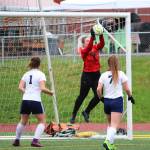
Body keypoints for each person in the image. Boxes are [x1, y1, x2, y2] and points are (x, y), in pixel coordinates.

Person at [12, 57, 53, 147]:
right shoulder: (41, 74)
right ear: (39, 64)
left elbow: (20, 87)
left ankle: (16, 140)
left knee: (23, 121)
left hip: (25, 99)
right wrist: (51, 93)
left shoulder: (26, 74)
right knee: (42, 121)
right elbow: (42, 88)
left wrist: (26, 91)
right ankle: (35, 141)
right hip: (35, 100)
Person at [97, 55, 135, 150]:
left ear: (108, 64)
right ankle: (107, 141)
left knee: (110, 124)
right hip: (117, 101)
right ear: (117, 63)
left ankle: (111, 144)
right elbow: (126, 89)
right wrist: (130, 96)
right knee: (114, 126)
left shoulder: (103, 75)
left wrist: (101, 98)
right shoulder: (121, 73)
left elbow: (98, 89)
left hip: (107, 102)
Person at [70, 28, 105, 124]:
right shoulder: (82, 50)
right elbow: (89, 48)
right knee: (82, 96)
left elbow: (102, 44)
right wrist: (93, 38)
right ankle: (73, 114)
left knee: (99, 96)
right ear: (84, 43)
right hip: (86, 76)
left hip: (97, 75)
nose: (89, 41)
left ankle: (86, 111)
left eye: (90, 40)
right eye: (87, 40)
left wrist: (101, 35)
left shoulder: (96, 47)